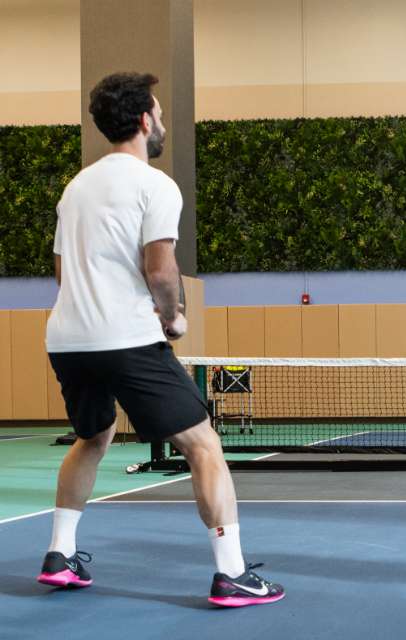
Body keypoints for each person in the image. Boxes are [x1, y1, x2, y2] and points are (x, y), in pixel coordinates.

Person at [40, 72, 284, 608]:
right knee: (204, 446)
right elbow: (161, 266)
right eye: (161, 113)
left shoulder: (76, 187)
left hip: (67, 339)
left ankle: (60, 554)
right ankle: (232, 574)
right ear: (145, 120)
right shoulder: (155, 185)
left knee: (93, 437)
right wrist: (172, 319)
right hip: (125, 337)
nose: (164, 122)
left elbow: (61, 272)